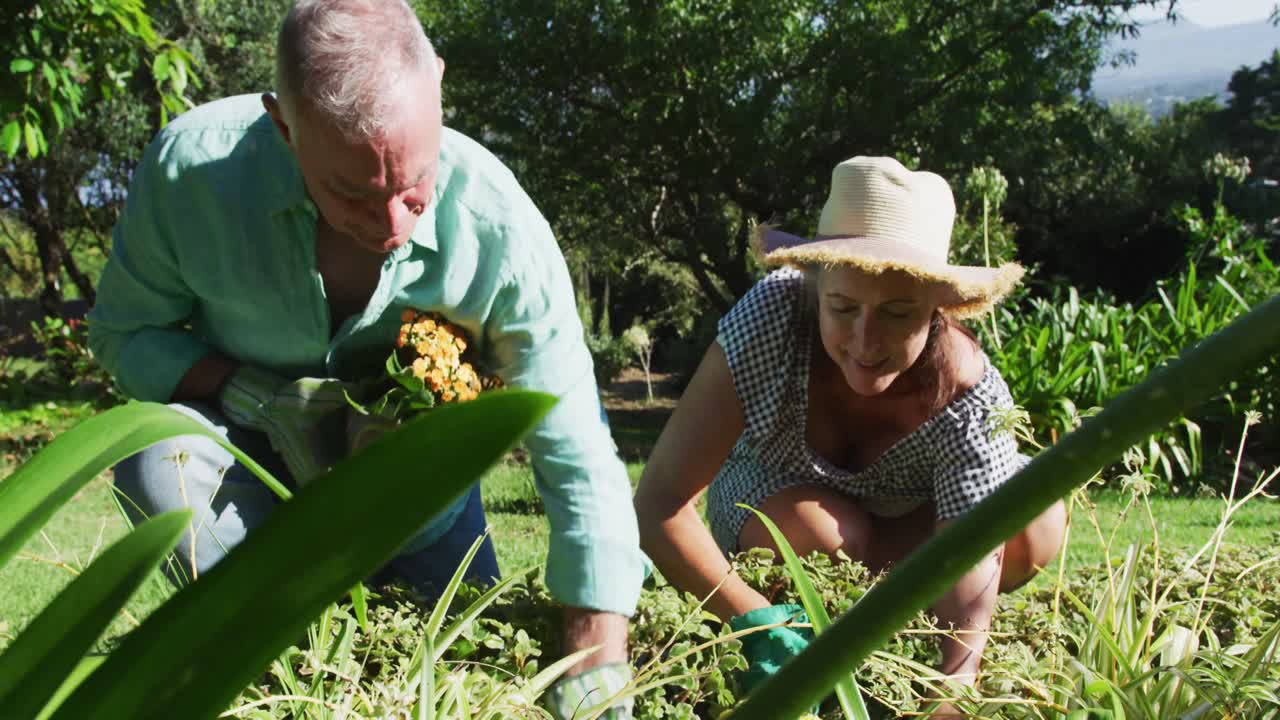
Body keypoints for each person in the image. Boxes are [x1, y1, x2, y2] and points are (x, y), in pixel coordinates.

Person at [87, 1, 641, 716]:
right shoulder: (190, 176)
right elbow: (124, 334)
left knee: (461, 681)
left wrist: (596, 655)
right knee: (159, 459)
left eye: (414, 187)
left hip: (421, 498)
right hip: (246, 472)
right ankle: (263, 665)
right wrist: (244, 390)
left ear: (438, 84)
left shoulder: (499, 228)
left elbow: (574, 443)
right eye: (351, 191)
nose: (390, 225)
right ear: (283, 127)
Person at [633, 156, 1067, 714]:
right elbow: (659, 502)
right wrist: (751, 618)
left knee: (1033, 522)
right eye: (842, 307)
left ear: (940, 306)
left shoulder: (967, 392)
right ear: (816, 285)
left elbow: (971, 546)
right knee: (824, 535)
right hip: (776, 494)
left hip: (906, 529)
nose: (865, 340)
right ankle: (827, 611)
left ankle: (890, 622)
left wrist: (954, 687)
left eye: (896, 313)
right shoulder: (772, 317)